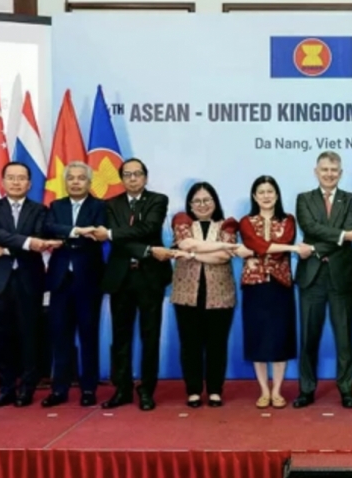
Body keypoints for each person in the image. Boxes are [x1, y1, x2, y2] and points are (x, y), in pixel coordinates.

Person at [293, 151, 352, 409]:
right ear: (316, 171)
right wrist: (343, 236)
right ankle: (306, 389)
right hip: (311, 278)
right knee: (308, 338)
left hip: (341, 277)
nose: (329, 174)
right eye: (324, 169)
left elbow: (348, 232)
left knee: (345, 338)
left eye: (334, 170)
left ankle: (346, 389)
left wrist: (316, 248)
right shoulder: (303, 199)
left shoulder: (351, 200)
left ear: (340, 173)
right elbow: (310, 228)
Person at [0, 161, 59, 408]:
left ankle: (27, 387)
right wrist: (24, 244)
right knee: (3, 337)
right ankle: (5, 388)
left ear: (30, 183)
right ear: (2, 182)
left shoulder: (40, 210)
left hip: (29, 279)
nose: (16, 182)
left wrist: (3, 250)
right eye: (11, 178)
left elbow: (39, 237)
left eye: (21, 178)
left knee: (29, 335)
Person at [98, 158, 170, 411]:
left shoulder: (158, 200)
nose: (132, 178)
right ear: (121, 178)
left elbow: (147, 227)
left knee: (150, 336)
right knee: (121, 337)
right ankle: (123, 389)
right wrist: (149, 249)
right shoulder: (110, 204)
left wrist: (112, 234)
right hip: (121, 277)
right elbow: (119, 239)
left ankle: (147, 390)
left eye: (137, 174)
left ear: (145, 177)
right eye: (127, 174)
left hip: (149, 277)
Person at [238, 175, 311, 409]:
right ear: (254, 196)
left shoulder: (288, 220)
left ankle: (277, 390)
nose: (266, 196)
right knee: (257, 337)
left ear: (277, 195)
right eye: (261, 192)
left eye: (270, 191)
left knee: (281, 338)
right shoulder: (246, 221)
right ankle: (263, 390)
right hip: (255, 286)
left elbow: (275, 251)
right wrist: (293, 248)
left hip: (281, 286)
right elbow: (256, 244)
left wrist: (280, 247)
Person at [41, 161, 108, 408]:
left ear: (89, 183)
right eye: (71, 178)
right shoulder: (56, 206)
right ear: (65, 182)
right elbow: (48, 227)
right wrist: (78, 231)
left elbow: (99, 235)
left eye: (81, 178)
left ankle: (88, 388)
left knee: (89, 336)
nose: (76, 182)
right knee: (60, 337)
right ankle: (59, 389)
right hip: (60, 281)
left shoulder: (100, 206)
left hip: (88, 280)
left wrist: (67, 235)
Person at [170, 182, 239, 408]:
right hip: (186, 292)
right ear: (190, 204)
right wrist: (201, 248)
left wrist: (190, 254)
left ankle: (215, 390)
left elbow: (224, 257)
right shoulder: (182, 220)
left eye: (207, 200)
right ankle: (193, 391)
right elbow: (185, 242)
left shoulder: (227, 224)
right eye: (197, 201)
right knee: (190, 344)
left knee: (217, 344)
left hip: (220, 293)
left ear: (215, 202)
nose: (202, 205)